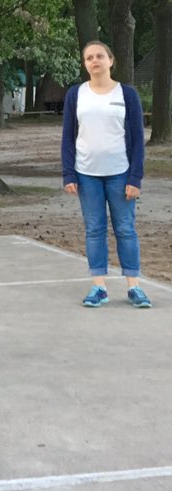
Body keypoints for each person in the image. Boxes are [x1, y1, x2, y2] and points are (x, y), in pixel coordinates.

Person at [61, 40, 152, 308]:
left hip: (120, 174)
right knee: (95, 230)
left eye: (100, 56)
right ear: (85, 64)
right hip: (86, 174)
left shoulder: (127, 94)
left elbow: (136, 139)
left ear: (111, 60)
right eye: (89, 57)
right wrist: (69, 174)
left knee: (125, 229)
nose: (94, 61)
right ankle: (98, 286)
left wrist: (135, 178)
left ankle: (134, 286)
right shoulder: (75, 95)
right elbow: (68, 137)